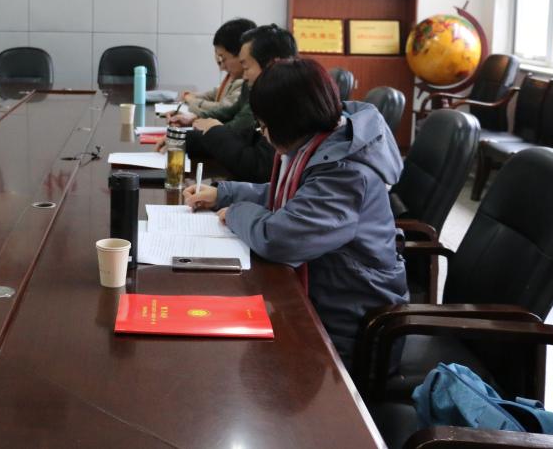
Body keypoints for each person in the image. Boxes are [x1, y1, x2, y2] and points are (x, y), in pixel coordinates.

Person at [184, 57, 407, 369]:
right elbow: (292, 197)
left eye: (264, 126)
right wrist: (225, 193)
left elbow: (280, 238)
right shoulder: (322, 141)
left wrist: (235, 212)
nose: (263, 134)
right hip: (321, 297)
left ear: (286, 121)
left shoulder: (346, 172)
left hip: (349, 328)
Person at [165, 24, 297, 183]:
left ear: (271, 65)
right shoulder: (266, 95)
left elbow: (259, 167)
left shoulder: (286, 104)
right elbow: (243, 136)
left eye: (246, 67)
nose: (245, 77)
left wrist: (215, 131)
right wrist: (183, 140)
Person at [177, 18, 253, 118]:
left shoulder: (246, 82)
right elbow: (215, 94)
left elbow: (224, 110)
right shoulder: (234, 77)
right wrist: (192, 96)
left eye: (223, 59)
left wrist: (193, 101)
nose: (222, 67)